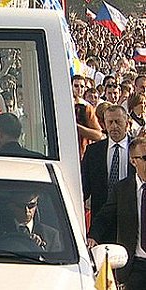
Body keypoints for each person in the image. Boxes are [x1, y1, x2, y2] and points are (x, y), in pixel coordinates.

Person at [88, 137, 146, 290]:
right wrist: (93, 236)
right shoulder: (122, 190)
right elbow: (105, 216)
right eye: (145, 158)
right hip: (136, 265)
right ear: (133, 161)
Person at [82, 105, 136, 243]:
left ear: (127, 123)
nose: (114, 126)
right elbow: (83, 189)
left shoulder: (139, 150)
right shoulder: (93, 152)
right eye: (110, 122)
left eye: (118, 122)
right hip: (101, 223)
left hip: (132, 221)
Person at [72, 75, 102, 159]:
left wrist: (77, 127)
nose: (79, 89)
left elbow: (98, 134)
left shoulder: (86, 107)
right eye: (76, 86)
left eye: (82, 86)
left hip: (82, 152)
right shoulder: (62, 104)